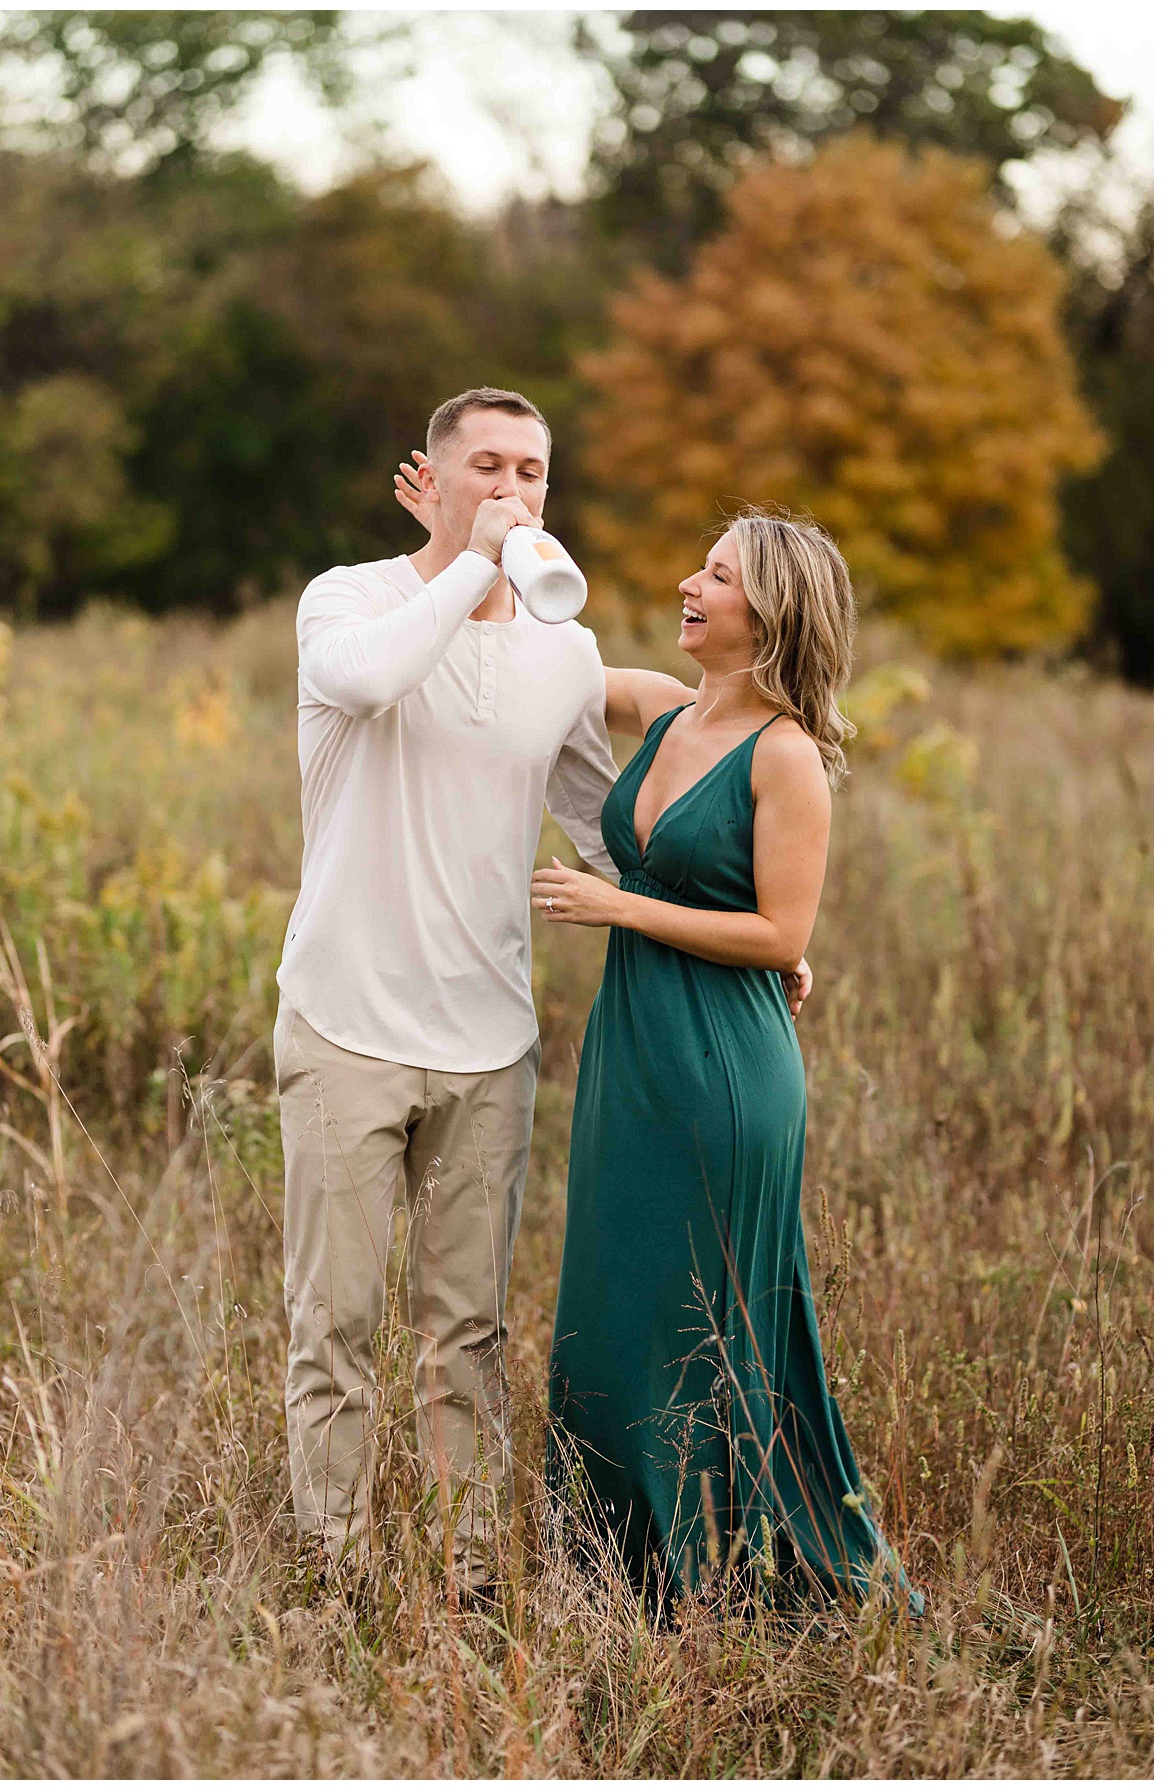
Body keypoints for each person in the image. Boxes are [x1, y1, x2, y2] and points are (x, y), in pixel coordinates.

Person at [531, 509, 923, 1617]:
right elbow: (533, 659)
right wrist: (499, 537)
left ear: (773, 612)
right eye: (698, 564)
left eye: (717, 575)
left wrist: (617, 902)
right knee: (610, 1304)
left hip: (724, 1073)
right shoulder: (664, 707)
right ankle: (614, 1569)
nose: (686, 584)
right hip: (632, 1051)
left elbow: (782, 937)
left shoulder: (788, 755)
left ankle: (723, 1572)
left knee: (702, 1310)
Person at [274, 387, 626, 1596]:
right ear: (431, 476)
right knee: (334, 1326)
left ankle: (471, 1577)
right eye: (488, 465)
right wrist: (465, 563)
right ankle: (333, 1573)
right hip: (346, 1023)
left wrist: (740, 928)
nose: (514, 489)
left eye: (532, 470)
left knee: (465, 1331)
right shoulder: (351, 600)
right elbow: (368, 684)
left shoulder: (564, 649)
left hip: (489, 1041)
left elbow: (599, 826)